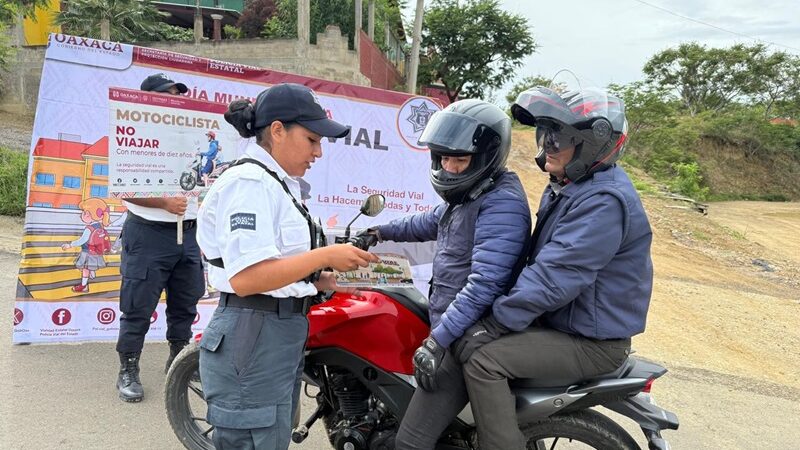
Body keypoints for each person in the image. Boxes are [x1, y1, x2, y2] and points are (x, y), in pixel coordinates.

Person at [455, 87, 654, 450]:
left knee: (484, 362)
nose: (547, 144)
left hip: (591, 342)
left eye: (558, 136)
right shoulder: (573, 186)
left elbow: (552, 278)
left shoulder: (603, 201)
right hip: (568, 324)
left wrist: (495, 323)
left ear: (593, 145)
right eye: (544, 133)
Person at [196, 83, 378, 450]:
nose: (318, 151)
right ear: (277, 131)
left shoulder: (276, 182)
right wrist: (325, 256)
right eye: (312, 139)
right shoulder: (249, 183)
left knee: (272, 436)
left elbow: (277, 264)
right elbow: (247, 278)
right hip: (254, 332)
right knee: (255, 438)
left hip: (275, 331)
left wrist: (322, 280)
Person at [359, 99, 531, 449]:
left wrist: (439, 340)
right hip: (452, 325)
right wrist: (381, 232)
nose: (450, 168)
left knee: (409, 444)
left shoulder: (502, 203)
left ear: (486, 157)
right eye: (444, 158)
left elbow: (484, 285)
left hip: (466, 336)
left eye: (460, 159)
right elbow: (429, 221)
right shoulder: (471, 195)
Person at [116, 73, 206, 402]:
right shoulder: (131, 135)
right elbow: (123, 186)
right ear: (149, 100)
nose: (176, 100)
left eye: (179, 95)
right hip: (148, 232)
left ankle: (178, 361)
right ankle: (128, 369)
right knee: (138, 306)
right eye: (169, 95)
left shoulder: (192, 138)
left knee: (185, 304)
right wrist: (163, 202)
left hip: (190, 233)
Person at [61, 198, 111, 293]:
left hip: (87, 253)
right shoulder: (100, 226)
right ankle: (92, 271)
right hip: (97, 252)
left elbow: (82, 240)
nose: (81, 215)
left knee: (84, 269)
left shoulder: (89, 228)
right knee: (88, 266)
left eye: (83, 213)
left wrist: (70, 245)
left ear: (88, 215)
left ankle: (84, 286)